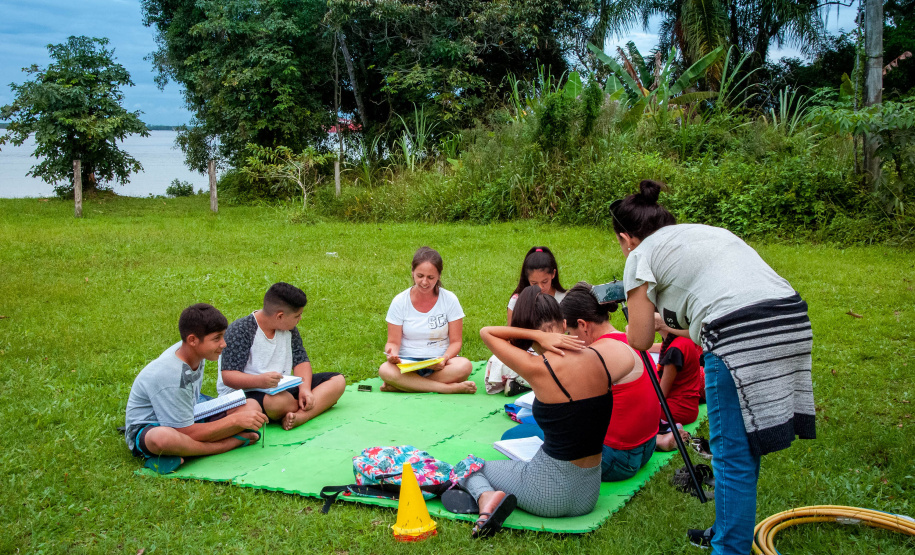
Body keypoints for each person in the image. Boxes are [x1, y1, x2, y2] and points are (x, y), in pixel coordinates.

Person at [611, 180, 815, 554]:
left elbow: (639, 340)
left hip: (738, 334)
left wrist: (635, 320)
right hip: (791, 319)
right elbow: (709, 310)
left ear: (626, 238)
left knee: (731, 455)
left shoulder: (639, 256)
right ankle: (726, 533)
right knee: (744, 444)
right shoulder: (703, 233)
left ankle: (728, 548)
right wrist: (665, 323)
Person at [463, 286, 634, 538]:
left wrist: (537, 336)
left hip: (548, 496)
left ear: (534, 337)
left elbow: (486, 332)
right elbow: (629, 357)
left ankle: (486, 498)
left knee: (469, 466)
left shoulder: (537, 367)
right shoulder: (601, 358)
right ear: (564, 324)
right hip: (588, 495)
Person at [125, 303, 268, 474]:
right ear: (192, 340)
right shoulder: (170, 375)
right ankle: (224, 445)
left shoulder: (194, 352)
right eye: (217, 338)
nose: (224, 344)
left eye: (223, 336)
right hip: (154, 426)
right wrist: (234, 422)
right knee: (163, 439)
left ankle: (185, 452)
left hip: (191, 412)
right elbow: (185, 432)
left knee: (251, 406)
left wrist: (237, 418)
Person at [559, 282, 664, 481]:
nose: (570, 340)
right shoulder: (630, 339)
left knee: (541, 431)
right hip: (646, 447)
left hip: (619, 458)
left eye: (570, 334)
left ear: (582, 325)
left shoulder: (597, 353)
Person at [218, 282, 346, 431]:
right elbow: (229, 376)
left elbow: (301, 361)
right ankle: (311, 406)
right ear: (280, 316)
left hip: (282, 387)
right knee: (277, 403)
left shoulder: (289, 329)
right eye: (297, 315)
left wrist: (305, 390)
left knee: (338, 381)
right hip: (250, 393)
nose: (300, 318)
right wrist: (260, 381)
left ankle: (301, 416)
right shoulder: (241, 330)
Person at [379, 247, 475, 394]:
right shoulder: (400, 301)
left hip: (439, 363)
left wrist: (444, 358)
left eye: (431, 277)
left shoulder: (449, 299)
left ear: (439, 275)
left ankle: (405, 385)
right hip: (408, 364)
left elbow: (456, 342)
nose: (424, 282)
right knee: (385, 369)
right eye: (420, 276)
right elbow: (393, 342)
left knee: (464, 366)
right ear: (412, 272)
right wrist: (392, 355)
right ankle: (447, 388)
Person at [486, 246, 567, 395]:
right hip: (527, 350)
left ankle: (522, 383)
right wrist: (536, 336)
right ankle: (525, 382)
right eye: (534, 283)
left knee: (554, 363)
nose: (541, 287)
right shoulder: (518, 300)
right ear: (527, 279)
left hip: (556, 349)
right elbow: (511, 334)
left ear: (553, 274)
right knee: (497, 361)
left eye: (545, 281)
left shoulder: (565, 298)